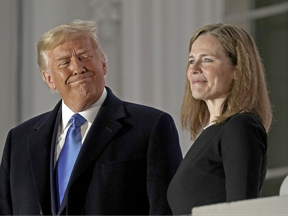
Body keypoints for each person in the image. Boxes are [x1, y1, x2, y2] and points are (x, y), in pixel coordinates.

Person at [0, 20, 183, 216]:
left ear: (103, 64)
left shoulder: (150, 127)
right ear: (49, 79)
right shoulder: (18, 141)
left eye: (85, 56)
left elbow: (166, 210)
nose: (78, 68)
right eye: (64, 62)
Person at [167, 23, 272, 216]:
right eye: (191, 61)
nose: (194, 69)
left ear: (237, 70)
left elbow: (241, 210)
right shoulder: (211, 133)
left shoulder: (241, 127)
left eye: (207, 60)